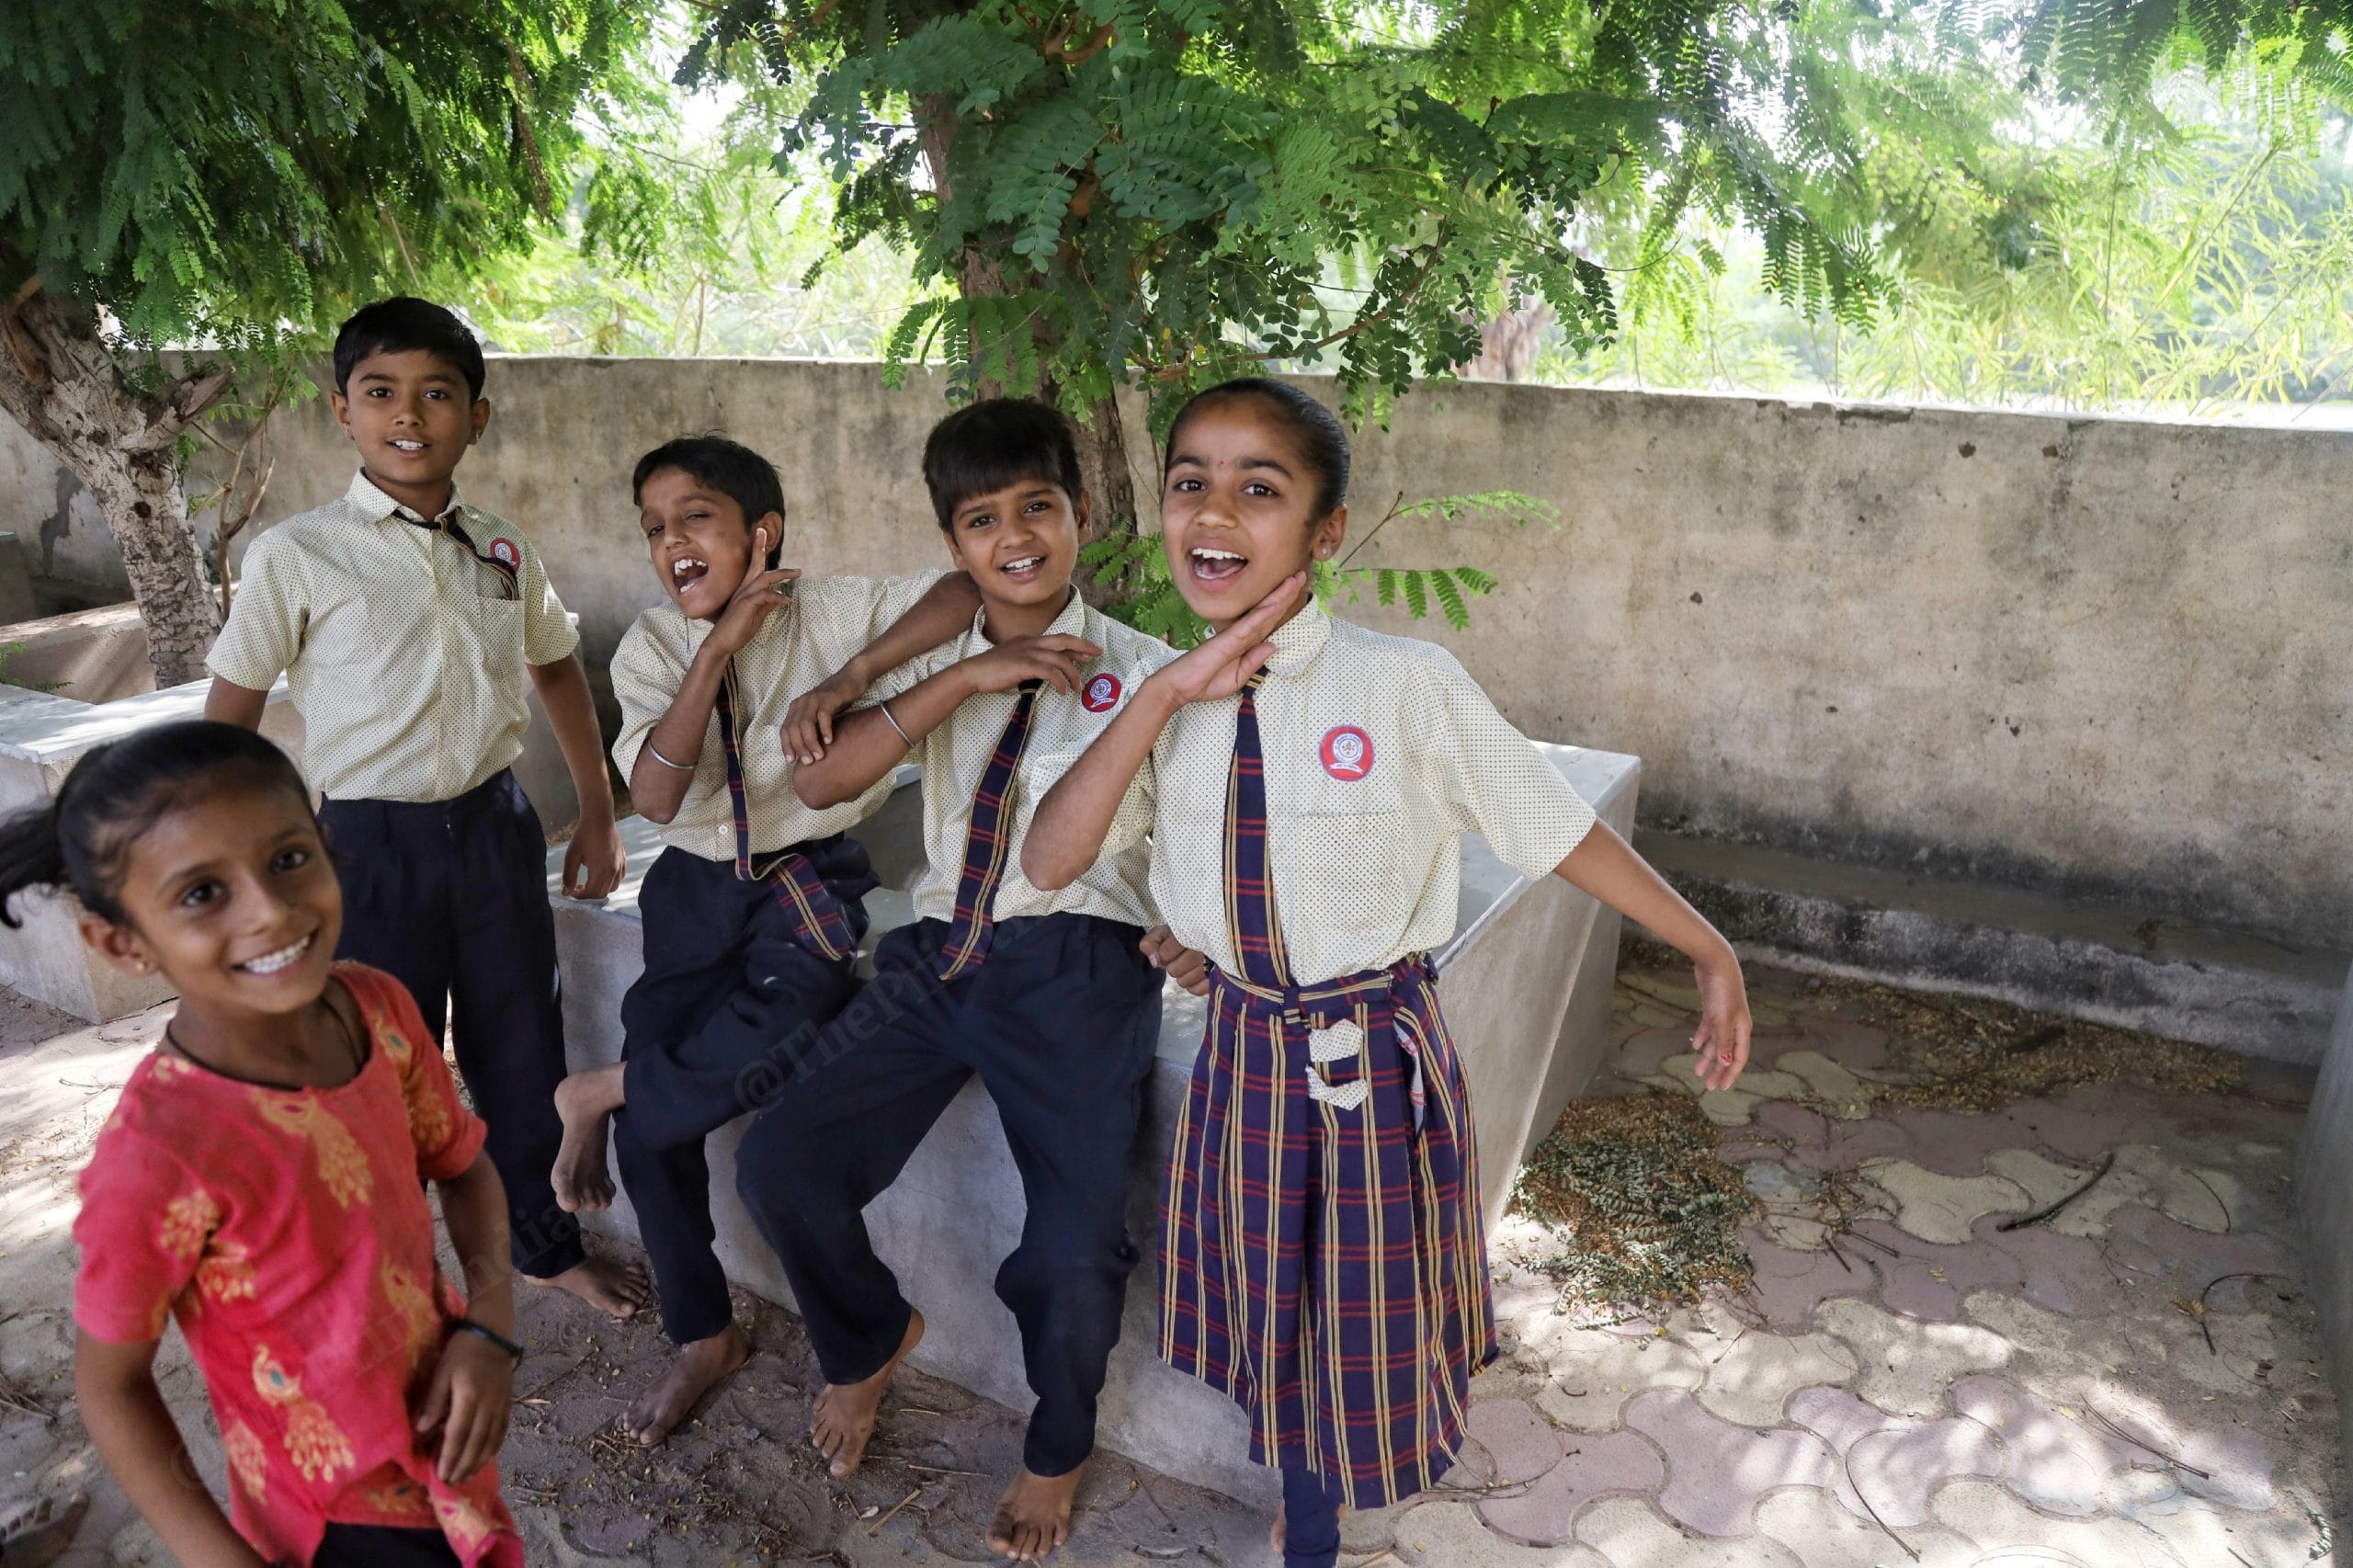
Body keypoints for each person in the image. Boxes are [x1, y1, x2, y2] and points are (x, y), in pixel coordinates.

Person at [1020, 379, 1755, 1567]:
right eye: (1189, 481)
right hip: (1245, 1054)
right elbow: (1054, 854)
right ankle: (1299, 1484)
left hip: (1370, 1059)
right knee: (1276, 1294)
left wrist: (1704, 944)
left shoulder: (1402, 685)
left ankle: (1313, 1522)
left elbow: (1548, 823)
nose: (1215, 510)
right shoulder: (1162, 697)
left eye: (1260, 488)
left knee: (1358, 1312)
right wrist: (1161, 696)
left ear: (1323, 531)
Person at [728, 399, 1208, 1563]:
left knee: (1073, 1243)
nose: (1016, 538)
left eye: (1037, 507)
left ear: (1080, 514)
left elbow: (1202, 830)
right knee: (780, 1162)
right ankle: (869, 1336)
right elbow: (835, 779)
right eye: (983, 520)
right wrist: (968, 674)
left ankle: (1058, 1441)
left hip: (1075, 967)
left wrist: (1209, 932)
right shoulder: (938, 648)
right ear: (955, 542)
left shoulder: (1148, 673)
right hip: (940, 950)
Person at [202, 297, 643, 1321]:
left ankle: (543, 1246)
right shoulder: (299, 553)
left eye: (438, 393)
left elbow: (556, 667)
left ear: (476, 418)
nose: (412, 414)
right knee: (373, 1061)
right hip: (365, 842)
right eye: (383, 393)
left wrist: (596, 811)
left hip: (494, 827)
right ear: (342, 411)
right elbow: (228, 718)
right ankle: (384, 1271)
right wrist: (240, 868)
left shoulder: (499, 546)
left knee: (519, 1046)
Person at [3, 722, 526, 1567]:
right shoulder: (159, 1153)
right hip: (331, 1522)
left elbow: (462, 1169)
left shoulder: (381, 1012)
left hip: (449, 1451)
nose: (272, 911)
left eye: (288, 860)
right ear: (123, 944)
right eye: (202, 893)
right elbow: (111, 1387)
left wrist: (491, 1325)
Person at [546, 436, 983, 1446]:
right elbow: (653, 795)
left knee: (779, 1033)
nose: (672, 542)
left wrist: (857, 672)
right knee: (656, 1135)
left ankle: (599, 1088)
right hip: (692, 887)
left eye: (696, 516)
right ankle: (702, 1336)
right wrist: (715, 649)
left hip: (803, 879)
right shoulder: (657, 646)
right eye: (656, 527)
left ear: (762, 533)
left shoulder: (831, 611)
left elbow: (966, 591)